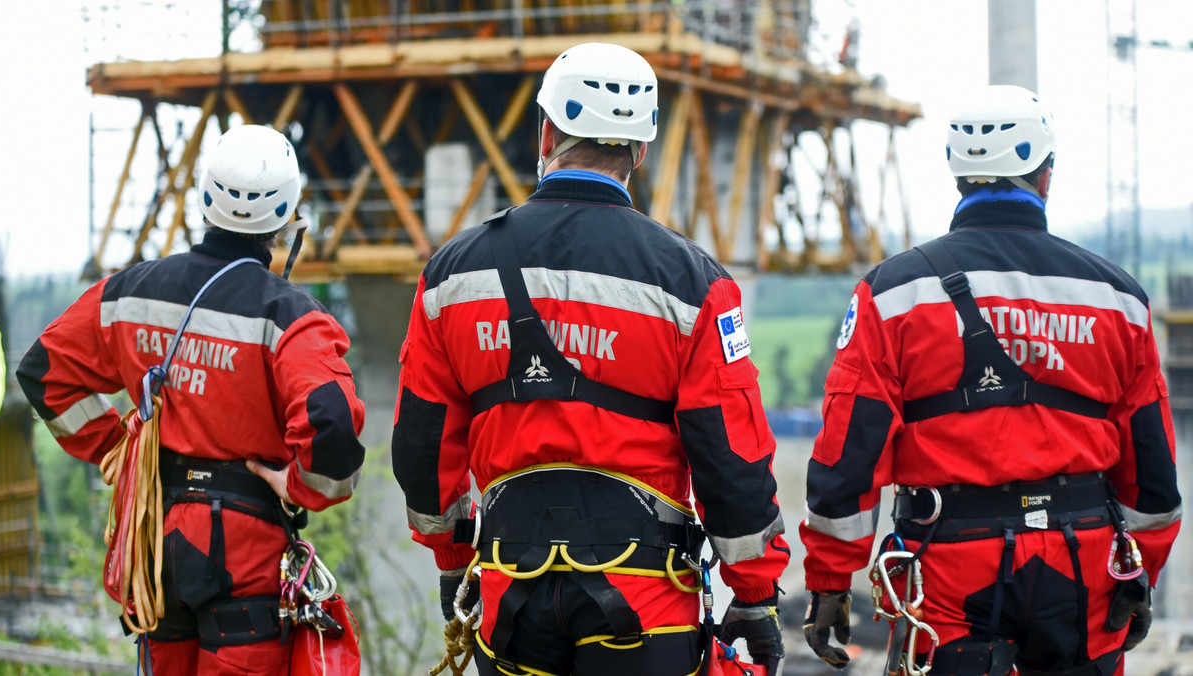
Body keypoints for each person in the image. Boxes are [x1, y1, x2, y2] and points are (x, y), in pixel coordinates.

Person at [390, 42, 789, 676]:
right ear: (642, 150)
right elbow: (730, 455)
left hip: (509, 596)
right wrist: (755, 593)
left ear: (546, 131)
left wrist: (450, 557)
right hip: (645, 601)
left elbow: (421, 443)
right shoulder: (692, 282)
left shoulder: (451, 276)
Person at [800, 84, 1181, 675]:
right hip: (1083, 565)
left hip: (947, 568)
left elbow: (851, 446)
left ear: (957, 177)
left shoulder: (894, 293)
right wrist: (1138, 571)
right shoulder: (1117, 298)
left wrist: (828, 579)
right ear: (1045, 176)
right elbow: (1152, 466)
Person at [17, 124, 366, 676]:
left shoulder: (128, 294)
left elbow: (42, 372)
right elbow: (334, 431)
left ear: (204, 198)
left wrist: (117, 448)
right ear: (286, 217)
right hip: (244, 558)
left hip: (157, 552)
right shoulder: (290, 318)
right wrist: (298, 486)